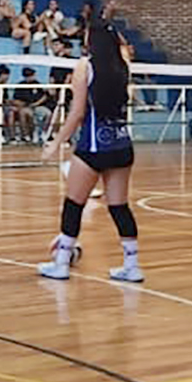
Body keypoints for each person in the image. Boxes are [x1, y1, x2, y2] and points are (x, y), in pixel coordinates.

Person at [37, 18, 143, 281]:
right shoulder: (124, 65)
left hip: (94, 145)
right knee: (119, 207)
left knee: (73, 204)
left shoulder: (85, 66)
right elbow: (121, 45)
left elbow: (77, 113)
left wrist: (56, 143)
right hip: (121, 143)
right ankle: (132, 266)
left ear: (90, 40)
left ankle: (61, 262)